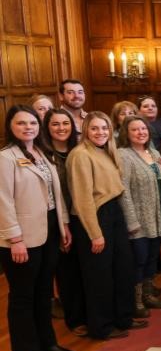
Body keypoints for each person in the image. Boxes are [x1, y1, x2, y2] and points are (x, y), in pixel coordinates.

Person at [1, 105, 73, 351]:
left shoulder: (41, 153)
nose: (28, 127)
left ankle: (47, 342)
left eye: (32, 123)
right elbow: (3, 202)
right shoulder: (5, 158)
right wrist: (15, 239)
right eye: (21, 123)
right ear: (10, 126)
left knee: (44, 292)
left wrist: (64, 225)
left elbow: (55, 194)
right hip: (22, 237)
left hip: (49, 230)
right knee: (23, 296)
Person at [67, 111, 146, 339]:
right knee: (99, 276)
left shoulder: (106, 151)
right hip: (95, 216)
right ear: (85, 130)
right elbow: (82, 200)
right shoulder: (81, 155)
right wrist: (95, 234)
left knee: (122, 269)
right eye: (94, 128)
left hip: (114, 212)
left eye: (104, 128)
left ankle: (123, 317)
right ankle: (101, 327)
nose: (100, 132)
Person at [118, 115, 161, 318]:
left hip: (157, 216)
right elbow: (123, 191)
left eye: (143, 129)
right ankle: (136, 299)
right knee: (138, 260)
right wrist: (131, 221)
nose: (141, 132)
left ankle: (148, 294)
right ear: (127, 133)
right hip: (139, 219)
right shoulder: (124, 155)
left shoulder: (154, 152)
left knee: (151, 258)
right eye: (135, 129)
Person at [43, 109, 86, 335]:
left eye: (65, 124)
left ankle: (89, 313)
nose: (61, 128)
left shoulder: (79, 151)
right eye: (55, 124)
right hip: (59, 220)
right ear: (47, 128)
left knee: (84, 267)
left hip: (82, 215)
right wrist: (63, 224)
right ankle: (74, 317)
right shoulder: (43, 155)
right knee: (66, 270)